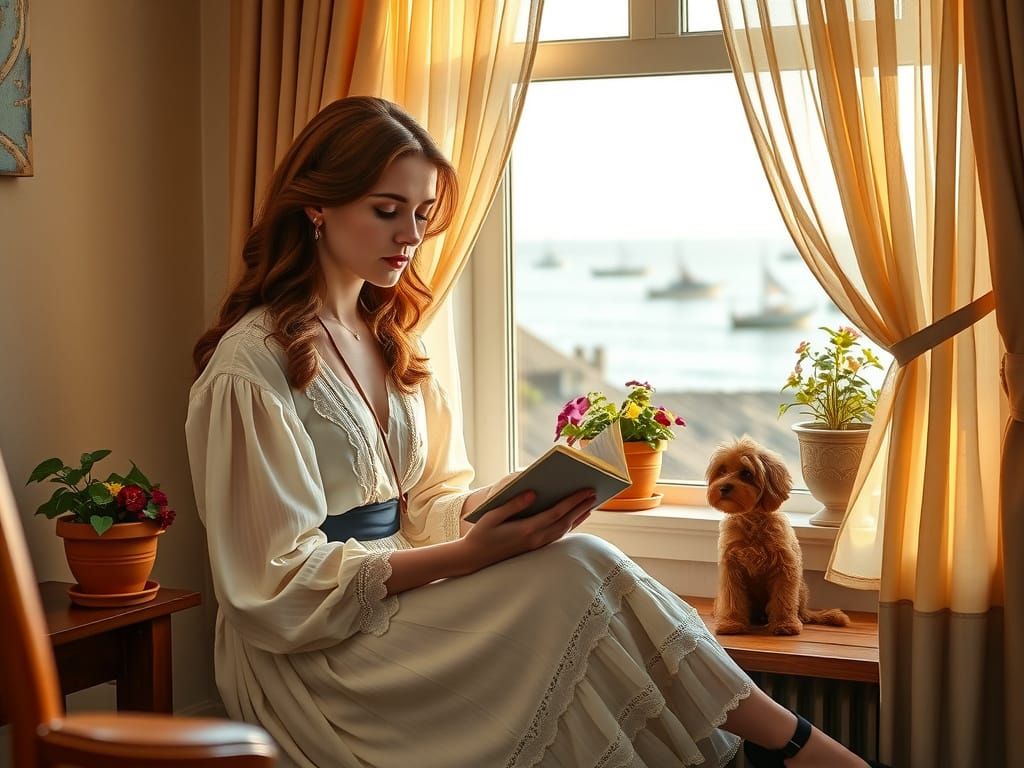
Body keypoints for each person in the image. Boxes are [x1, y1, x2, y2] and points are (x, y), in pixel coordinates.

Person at [186, 96, 888, 768]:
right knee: (582, 571)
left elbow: (426, 503)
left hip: (395, 604)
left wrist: (507, 501)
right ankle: (807, 751)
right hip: (315, 655)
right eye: (386, 210)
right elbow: (273, 588)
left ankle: (797, 751)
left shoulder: (390, 340)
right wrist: (469, 556)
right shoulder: (251, 368)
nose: (411, 237)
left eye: (423, 214)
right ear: (317, 205)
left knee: (580, 561)